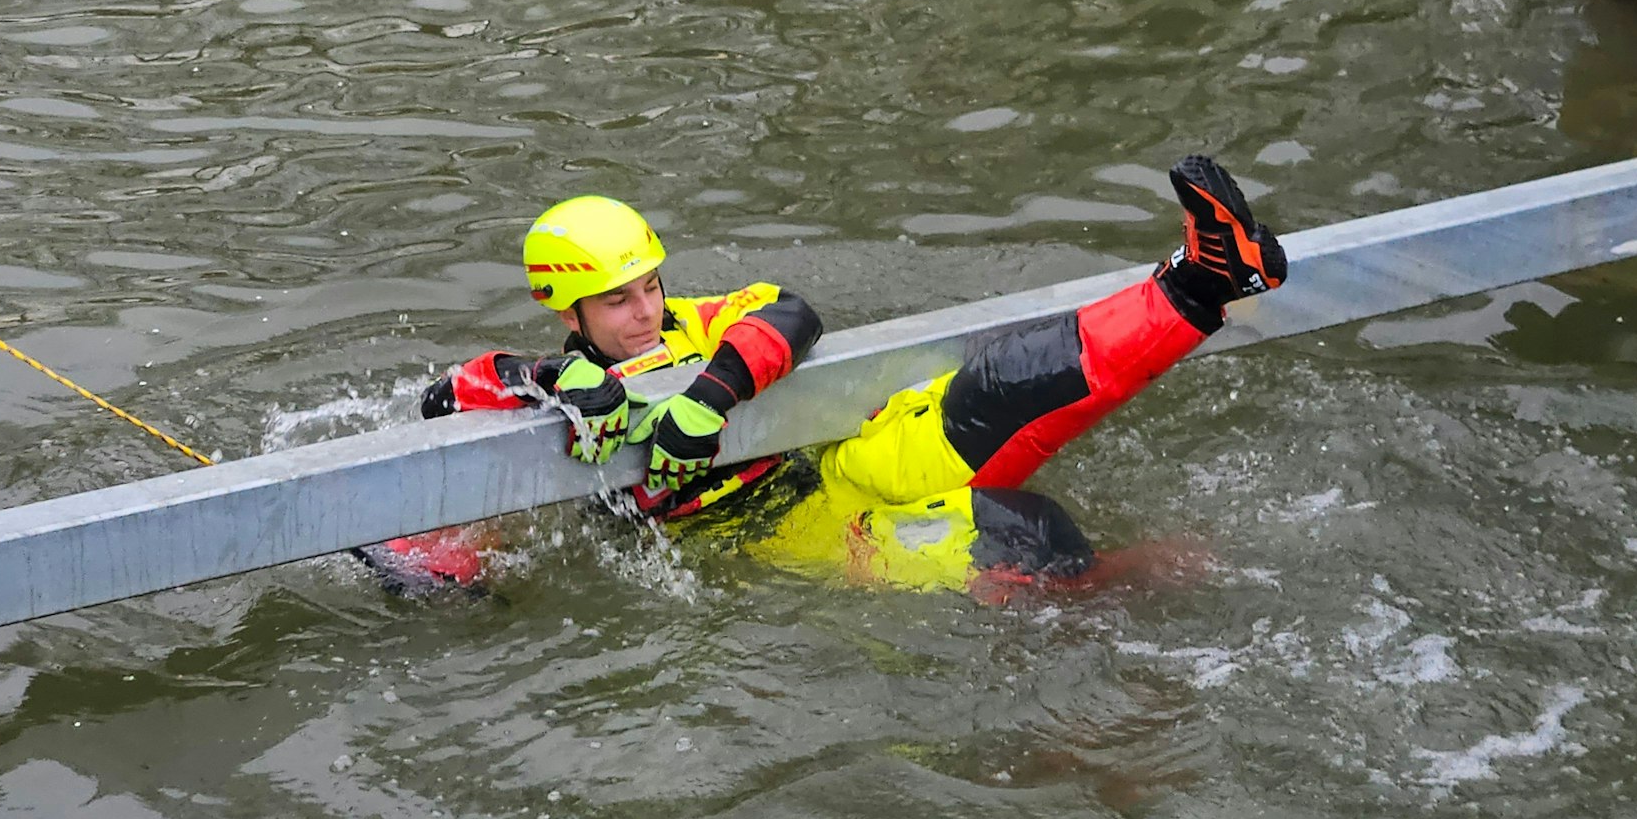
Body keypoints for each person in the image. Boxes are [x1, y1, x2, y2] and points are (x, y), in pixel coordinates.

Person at [361, 156, 1287, 598]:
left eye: (650, 286)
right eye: (617, 303)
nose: (645, 312)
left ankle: (1205, 280)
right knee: (1033, 533)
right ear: (570, 315)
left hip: (830, 465)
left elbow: (790, 312)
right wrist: (550, 379)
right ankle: (1119, 596)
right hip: (781, 533)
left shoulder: (695, 322)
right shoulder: (553, 377)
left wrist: (709, 395)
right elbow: (447, 397)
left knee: (1004, 381)